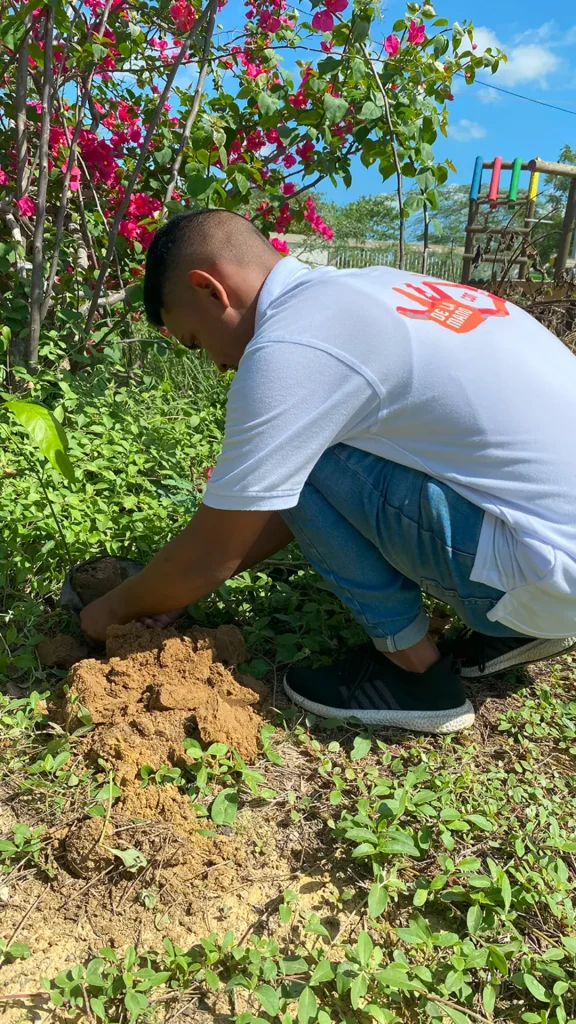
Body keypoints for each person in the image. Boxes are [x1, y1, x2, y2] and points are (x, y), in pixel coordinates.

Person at [80, 209, 576, 734]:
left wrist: (109, 612)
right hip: (557, 555)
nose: (216, 365)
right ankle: (524, 627)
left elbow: (214, 549)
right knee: (308, 452)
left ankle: (416, 675)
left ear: (209, 289)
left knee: (307, 450)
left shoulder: (292, 345)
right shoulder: (376, 287)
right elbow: (279, 514)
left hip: (550, 577)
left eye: (196, 341)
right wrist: (176, 591)